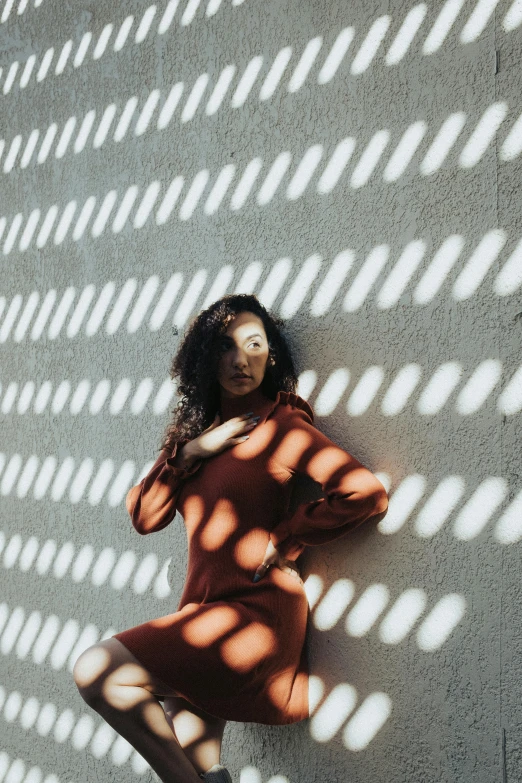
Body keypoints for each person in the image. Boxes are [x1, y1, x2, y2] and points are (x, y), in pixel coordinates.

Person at [72, 293, 389, 783]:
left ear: (271, 356)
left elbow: (363, 491)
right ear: (205, 357)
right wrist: (192, 451)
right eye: (225, 346)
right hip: (202, 613)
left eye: (254, 345)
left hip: (253, 618)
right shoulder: (194, 439)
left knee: (97, 670)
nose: (241, 360)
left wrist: (289, 537)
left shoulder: (282, 424)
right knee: (198, 765)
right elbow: (145, 515)